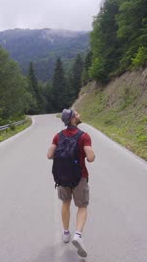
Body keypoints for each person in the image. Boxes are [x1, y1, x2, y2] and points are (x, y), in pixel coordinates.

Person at [47, 109, 95, 257]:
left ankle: (66, 233)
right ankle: (78, 235)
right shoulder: (84, 136)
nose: (79, 115)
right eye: (77, 114)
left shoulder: (58, 136)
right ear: (73, 119)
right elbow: (91, 158)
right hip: (79, 177)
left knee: (65, 203)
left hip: (62, 177)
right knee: (82, 206)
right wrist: (90, 153)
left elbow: (49, 155)